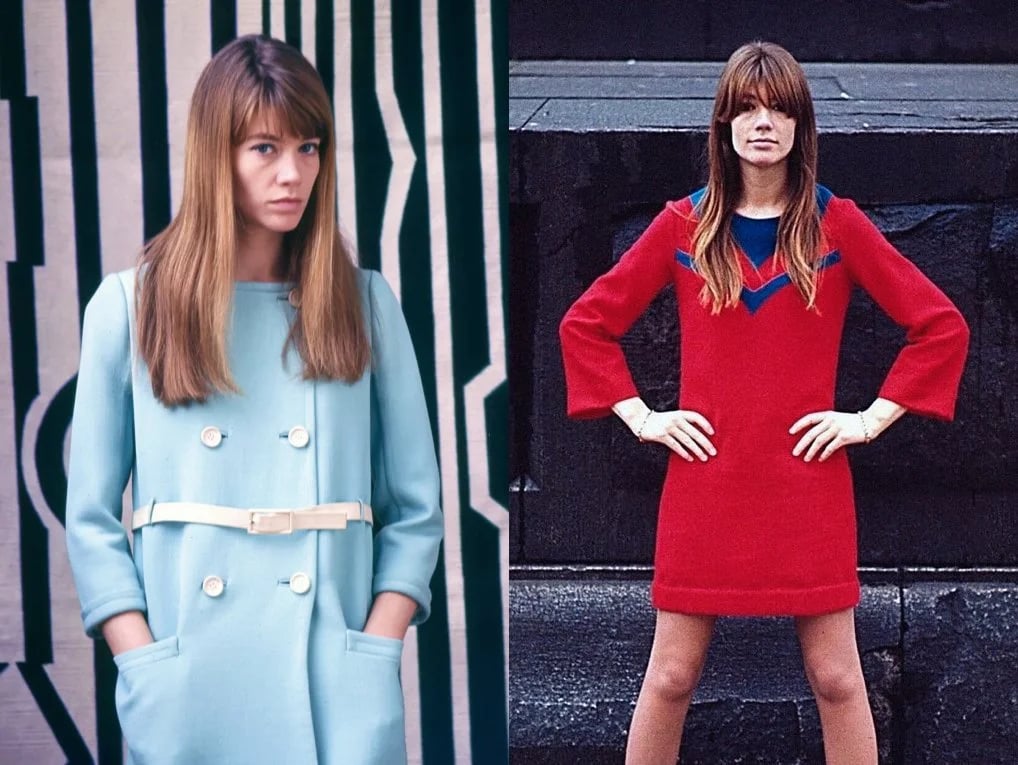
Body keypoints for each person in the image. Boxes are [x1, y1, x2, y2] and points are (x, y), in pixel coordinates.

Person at [558, 41, 968, 764]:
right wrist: (643, 416)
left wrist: (868, 419)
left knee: (837, 677)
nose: (762, 123)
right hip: (706, 482)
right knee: (672, 675)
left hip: (806, 483)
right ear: (723, 123)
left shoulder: (836, 224)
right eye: (746, 108)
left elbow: (940, 325)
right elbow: (585, 324)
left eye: (779, 108)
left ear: (801, 125)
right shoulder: (684, 225)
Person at [65, 35, 443, 765]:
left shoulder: (363, 303)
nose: (292, 173)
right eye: (264, 148)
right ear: (217, 155)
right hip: (189, 686)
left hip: (334, 684)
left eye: (308, 148)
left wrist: (377, 646)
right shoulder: (130, 306)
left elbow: (416, 509)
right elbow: (90, 518)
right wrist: (141, 661)